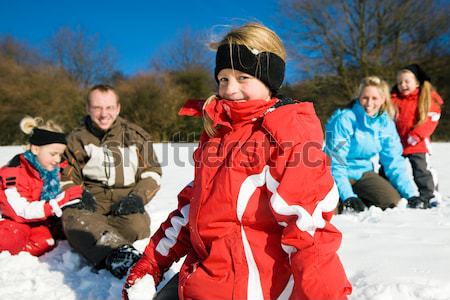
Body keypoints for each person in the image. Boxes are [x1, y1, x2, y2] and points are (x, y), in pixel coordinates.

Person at [122, 22, 352, 300]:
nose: (230, 90)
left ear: (269, 80)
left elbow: (310, 233)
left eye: (243, 77)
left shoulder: (287, 136)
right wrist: (150, 265)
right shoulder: (219, 133)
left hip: (254, 288)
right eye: (223, 79)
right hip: (205, 278)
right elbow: (190, 214)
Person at [60, 84, 162, 278]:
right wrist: (79, 193)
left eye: (109, 108)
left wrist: (138, 198)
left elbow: (152, 173)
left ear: (118, 108)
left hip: (125, 200)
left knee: (138, 226)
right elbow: (66, 175)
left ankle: (94, 237)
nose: (103, 114)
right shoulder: (76, 139)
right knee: (73, 219)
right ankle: (119, 255)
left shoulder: (136, 136)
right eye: (97, 108)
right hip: (91, 201)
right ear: (88, 108)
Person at [325, 76, 421, 213]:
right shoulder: (345, 119)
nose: (369, 103)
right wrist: (348, 196)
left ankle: (362, 197)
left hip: (363, 172)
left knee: (392, 201)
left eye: (375, 98)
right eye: (365, 98)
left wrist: (411, 194)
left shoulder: (385, 124)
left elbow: (393, 161)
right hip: (335, 173)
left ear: (383, 100)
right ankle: (345, 197)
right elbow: (335, 160)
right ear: (359, 98)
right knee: (330, 210)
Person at [0, 116, 82, 256]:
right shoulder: (14, 172)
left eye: (60, 155)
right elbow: (19, 211)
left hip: (38, 221)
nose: (57, 159)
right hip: (15, 220)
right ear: (36, 149)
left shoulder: (57, 170)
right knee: (12, 238)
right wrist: (56, 204)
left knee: (45, 242)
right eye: (53, 154)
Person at [391, 64, 444, 208]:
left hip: (417, 144)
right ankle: (392, 194)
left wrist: (417, 135)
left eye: (407, 81)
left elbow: (432, 118)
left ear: (417, 83)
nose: (403, 85)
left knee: (421, 170)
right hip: (398, 144)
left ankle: (429, 195)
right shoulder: (394, 99)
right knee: (392, 168)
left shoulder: (425, 98)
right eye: (400, 82)